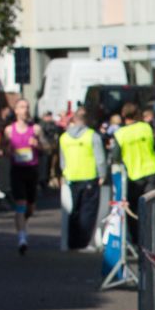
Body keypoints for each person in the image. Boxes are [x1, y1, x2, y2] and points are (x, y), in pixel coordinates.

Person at [1, 98, 47, 254]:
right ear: (16, 111)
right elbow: (2, 149)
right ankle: (21, 239)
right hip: (17, 170)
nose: (25, 110)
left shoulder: (36, 129)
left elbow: (47, 147)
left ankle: (22, 224)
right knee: (20, 203)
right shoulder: (9, 130)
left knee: (30, 207)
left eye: (27, 107)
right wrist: (7, 150)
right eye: (21, 107)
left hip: (32, 170)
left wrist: (38, 145)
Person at [59, 107, 103, 250]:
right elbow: (100, 158)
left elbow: (62, 160)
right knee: (88, 212)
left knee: (74, 211)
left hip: (72, 177)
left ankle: (72, 242)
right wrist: (102, 174)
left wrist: (64, 174)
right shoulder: (92, 135)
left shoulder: (64, 137)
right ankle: (83, 243)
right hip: (90, 177)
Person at [116, 102, 155, 224]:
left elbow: (116, 156)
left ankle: (137, 234)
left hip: (133, 174)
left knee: (134, 209)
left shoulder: (120, 133)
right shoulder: (146, 128)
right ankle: (149, 232)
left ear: (123, 114)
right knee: (150, 206)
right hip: (151, 170)